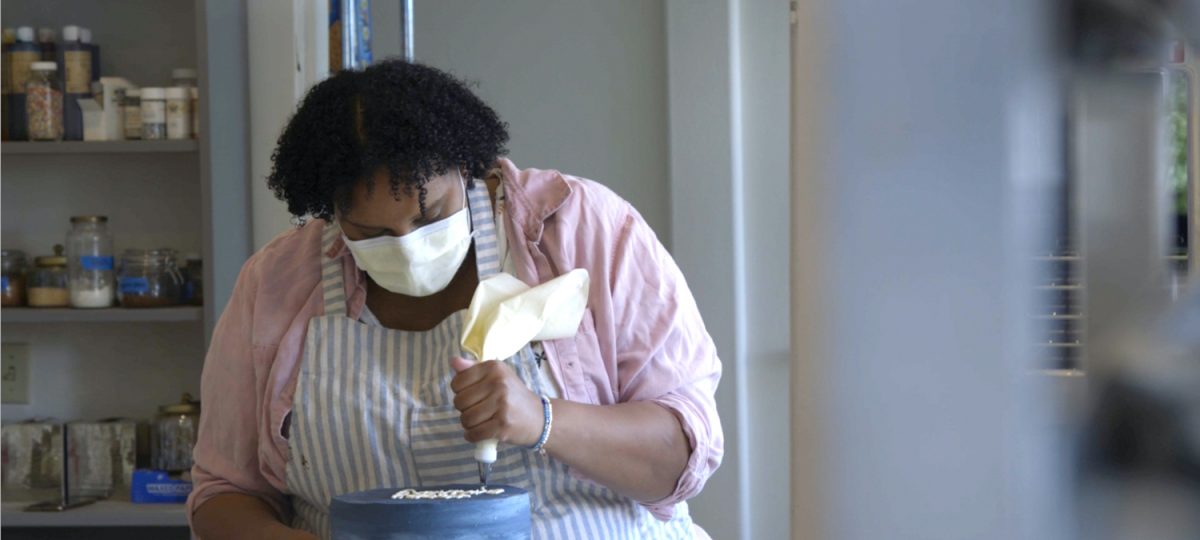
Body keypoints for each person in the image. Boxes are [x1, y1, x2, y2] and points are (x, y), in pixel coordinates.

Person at [187, 60, 723, 539]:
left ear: (466, 166)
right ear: (329, 211)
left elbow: (679, 459)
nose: (408, 249)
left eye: (430, 216)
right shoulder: (278, 282)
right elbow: (221, 495)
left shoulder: (584, 231)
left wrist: (542, 421)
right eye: (369, 231)